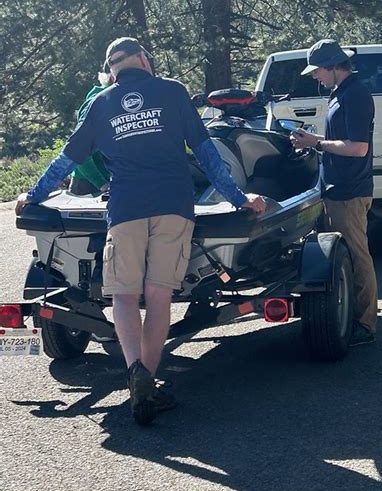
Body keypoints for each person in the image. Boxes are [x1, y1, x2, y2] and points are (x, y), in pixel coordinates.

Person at [16, 37, 266, 424]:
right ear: (144, 61)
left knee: (123, 297)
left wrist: (31, 195)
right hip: (173, 208)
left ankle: (136, 372)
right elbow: (206, 152)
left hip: (126, 210)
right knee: (160, 296)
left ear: (112, 70)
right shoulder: (172, 91)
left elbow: (68, 158)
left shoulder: (101, 104)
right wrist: (238, 199)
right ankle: (146, 381)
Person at [291, 38, 377, 346]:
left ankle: (365, 325)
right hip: (337, 189)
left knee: (357, 255)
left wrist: (316, 143)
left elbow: (358, 148)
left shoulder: (355, 95)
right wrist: (315, 141)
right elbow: (343, 142)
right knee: (347, 257)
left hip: (349, 191)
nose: (315, 76)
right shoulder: (343, 93)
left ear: (332, 67)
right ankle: (353, 317)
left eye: (317, 71)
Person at [69, 65, 113, 196]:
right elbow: (79, 152)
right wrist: (102, 184)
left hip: (110, 181)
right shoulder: (96, 104)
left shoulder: (118, 102)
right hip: (87, 184)